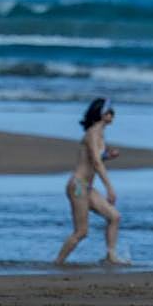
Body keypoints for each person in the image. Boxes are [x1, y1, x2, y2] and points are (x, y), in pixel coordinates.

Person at [55, 97, 125, 265]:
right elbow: (96, 162)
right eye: (109, 112)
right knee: (81, 232)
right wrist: (109, 188)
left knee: (114, 217)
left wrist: (107, 156)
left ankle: (111, 256)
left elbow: (94, 158)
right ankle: (58, 262)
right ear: (101, 114)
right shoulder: (92, 134)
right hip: (78, 186)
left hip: (87, 187)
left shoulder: (100, 134)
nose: (112, 115)